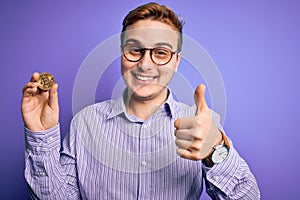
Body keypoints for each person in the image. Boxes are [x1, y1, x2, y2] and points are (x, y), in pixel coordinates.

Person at [21, 2, 260, 199]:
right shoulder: (84, 123)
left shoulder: (201, 126)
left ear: (176, 61)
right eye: (135, 50)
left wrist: (215, 148)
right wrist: (42, 136)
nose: (145, 64)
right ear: (122, 53)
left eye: (161, 52)